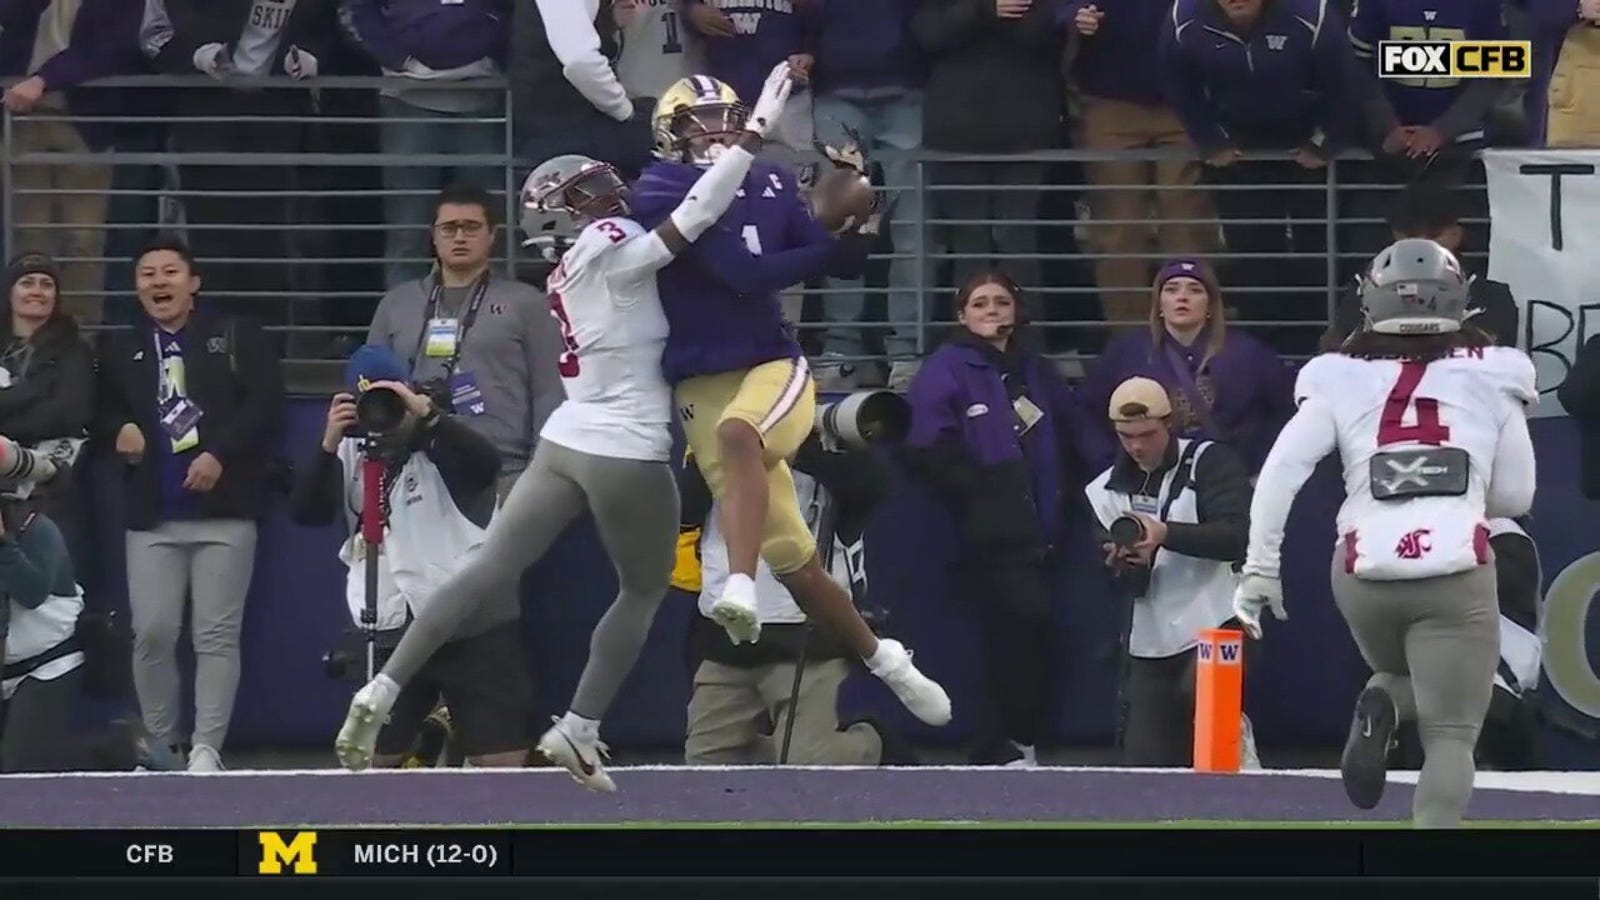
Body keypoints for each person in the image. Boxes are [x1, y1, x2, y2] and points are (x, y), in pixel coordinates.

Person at [336, 62, 802, 791]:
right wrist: (752, 138)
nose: (602, 189)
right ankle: (581, 726)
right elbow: (696, 217)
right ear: (565, 215)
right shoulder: (612, 243)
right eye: (581, 191)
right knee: (643, 589)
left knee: (488, 569)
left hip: (565, 440)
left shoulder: (561, 269)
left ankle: (383, 686)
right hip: (625, 444)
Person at [630, 71, 951, 731]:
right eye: (699, 121)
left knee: (742, 434)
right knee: (798, 561)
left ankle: (739, 585)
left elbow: (835, 263)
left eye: (727, 117)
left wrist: (858, 221)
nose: (716, 130)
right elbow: (744, 272)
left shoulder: (771, 180)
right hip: (698, 381)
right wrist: (829, 242)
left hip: (770, 364)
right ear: (670, 133)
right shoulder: (658, 187)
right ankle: (885, 657)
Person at [1234, 238, 1538, 828]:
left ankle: (1386, 701)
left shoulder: (1338, 375)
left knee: (1413, 677)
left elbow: (1280, 472)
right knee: (1454, 729)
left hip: (1363, 569)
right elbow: (1515, 497)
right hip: (1453, 566)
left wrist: (1260, 569)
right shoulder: (1496, 372)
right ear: (1459, 301)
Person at [93, 237, 288, 772]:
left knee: (215, 635)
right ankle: (163, 747)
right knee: (152, 632)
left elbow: (267, 403)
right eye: (147, 274)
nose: (159, 282)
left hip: (225, 513)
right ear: (136, 287)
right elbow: (98, 411)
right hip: (152, 515)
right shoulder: (120, 346)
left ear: (193, 282)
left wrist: (221, 453)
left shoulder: (234, 335)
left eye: (170, 272)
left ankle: (206, 747)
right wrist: (120, 428)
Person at [901, 271, 1109, 765]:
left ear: (1016, 310)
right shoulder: (947, 368)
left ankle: (1020, 740)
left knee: (1031, 635)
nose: (992, 310)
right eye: (979, 304)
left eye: (1000, 301)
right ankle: (1002, 742)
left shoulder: (1036, 370)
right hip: (984, 536)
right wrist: (985, 493)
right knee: (1009, 635)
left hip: (1042, 531)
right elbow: (923, 446)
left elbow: (1080, 433)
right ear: (961, 316)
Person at [1084, 377, 1258, 768]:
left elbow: (1238, 537)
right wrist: (1126, 564)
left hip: (1219, 620)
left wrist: (1165, 534)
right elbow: (1123, 582)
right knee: (1146, 768)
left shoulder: (1211, 461)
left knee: (1209, 725)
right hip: (1151, 638)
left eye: (1147, 434)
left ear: (1170, 423)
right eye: (1126, 436)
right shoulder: (1103, 492)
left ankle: (1240, 754)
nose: (1137, 446)